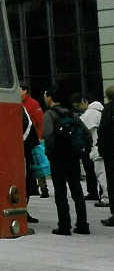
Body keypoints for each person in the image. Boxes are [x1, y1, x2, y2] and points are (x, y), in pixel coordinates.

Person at [43, 86, 90, 235]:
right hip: (73, 158)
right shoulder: (72, 114)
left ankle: (64, 225)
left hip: (58, 158)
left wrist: (49, 153)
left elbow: (48, 136)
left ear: (50, 97)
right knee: (77, 191)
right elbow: (86, 134)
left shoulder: (50, 115)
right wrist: (82, 151)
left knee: (60, 193)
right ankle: (82, 224)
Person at [21, 82, 49, 197]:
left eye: (19, 89)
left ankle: (44, 188)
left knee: (38, 162)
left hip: (35, 138)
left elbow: (40, 121)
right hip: (27, 139)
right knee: (30, 164)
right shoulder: (19, 103)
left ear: (25, 90)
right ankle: (33, 188)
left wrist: (40, 137)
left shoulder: (33, 103)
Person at [72, 93, 100, 200]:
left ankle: (94, 192)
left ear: (84, 101)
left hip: (91, 146)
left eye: (78, 106)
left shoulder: (90, 114)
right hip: (95, 145)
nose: (78, 109)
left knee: (92, 171)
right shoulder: (99, 110)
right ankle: (97, 192)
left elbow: (87, 131)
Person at [22, 105, 40, 225]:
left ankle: (23, 211)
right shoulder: (21, 109)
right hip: (24, 151)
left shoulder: (21, 109)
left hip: (21, 152)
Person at [100, 86, 114, 227]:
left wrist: (101, 149)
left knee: (112, 182)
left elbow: (103, 131)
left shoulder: (108, 109)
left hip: (110, 153)